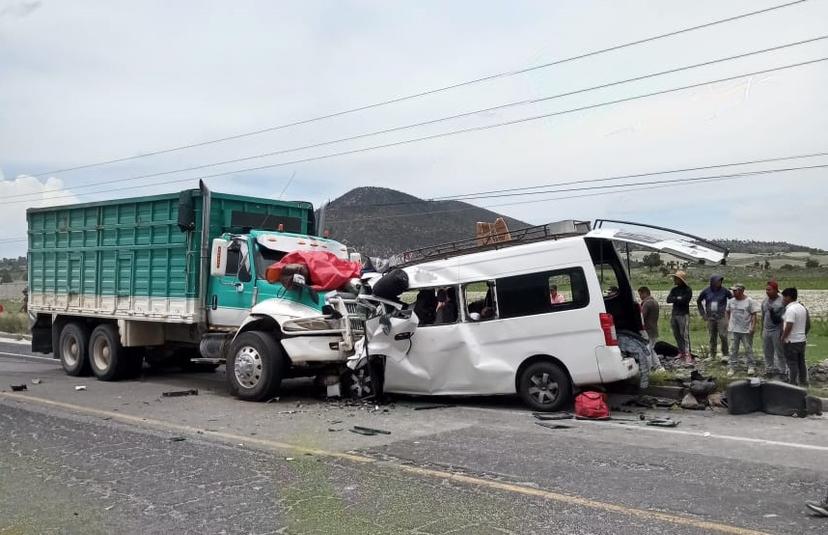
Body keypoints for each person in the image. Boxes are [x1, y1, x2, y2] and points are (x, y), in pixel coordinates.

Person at [725, 284, 759, 377]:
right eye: (733, 290)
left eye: (735, 290)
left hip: (746, 330)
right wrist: (728, 322)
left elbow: (754, 314)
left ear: (741, 291)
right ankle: (732, 366)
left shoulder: (750, 301)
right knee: (732, 349)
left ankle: (751, 366)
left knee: (748, 348)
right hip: (733, 329)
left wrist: (752, 326)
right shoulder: (731, 301)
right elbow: (727, 311)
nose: (733, 292)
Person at [696, 275, 732, 360]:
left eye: (720, 281)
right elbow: (699, 301)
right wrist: (703, 314)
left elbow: (733, 299)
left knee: (723, 335)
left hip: (722, 316)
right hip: (710, 317)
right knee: (712, 336)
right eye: (717, 281)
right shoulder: (706, 291)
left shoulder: (725, 290)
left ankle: (725, 354)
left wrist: (729, 311)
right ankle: (712, 355)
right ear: (712, 282)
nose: (719, 283)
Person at [781, 287, 809, 386]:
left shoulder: (790, 309)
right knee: (801, 362)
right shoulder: (802, 308)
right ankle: (803, 382)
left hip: (791, 341)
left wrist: (783, 337)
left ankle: (792, 384)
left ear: (788, 297)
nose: (783, 300)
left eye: (784, 297)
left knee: (792, 363)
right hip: (801, 340)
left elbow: (789, 325)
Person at [666, 270, 693, 364]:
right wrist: (678, 298)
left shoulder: (688, 290)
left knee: (684, 335)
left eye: (676, 278)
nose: (674, 280)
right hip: (674, 314)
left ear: (681, 280)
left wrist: (676, 299)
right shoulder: (674, 290)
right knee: (676, 334)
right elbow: (668, 299)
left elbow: (685, 301)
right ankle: (681, 352)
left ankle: (688, 353)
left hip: (683, 314)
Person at [761, 280, 786, 378]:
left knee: (779, 352)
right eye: (766, 290)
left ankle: (782, 371)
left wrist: (783, 332)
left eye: (769, 290)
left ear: (776, 290)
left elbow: (784, 318)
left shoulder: (782, 301)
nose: (767, 292)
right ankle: (769, 370)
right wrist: (762, 329)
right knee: (767, 351)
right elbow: (763, 315)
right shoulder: (765, 301)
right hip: (766, 329)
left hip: (777, 329)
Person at [638, 286, 663, 371]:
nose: (640, 296)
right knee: (651, 349)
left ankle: (648, 367)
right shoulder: (654, 302)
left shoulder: (647, 303)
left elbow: (642, 317)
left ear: (645, 293)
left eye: (640, 294)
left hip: (647, 330)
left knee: (647, 349)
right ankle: (658, 366)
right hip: (654, 329)